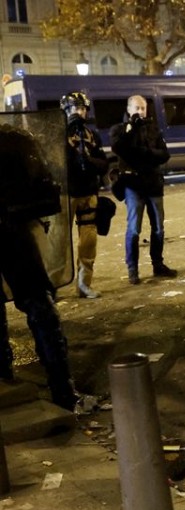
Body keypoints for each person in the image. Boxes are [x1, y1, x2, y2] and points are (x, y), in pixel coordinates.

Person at [0, 123, 93, 411]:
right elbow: (44, 181)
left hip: (12, 231)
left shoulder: (13, 139)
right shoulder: (13, 138)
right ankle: (62, 390)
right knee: (40, 309)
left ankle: (7, 376)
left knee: (39, 308)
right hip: (13, 232)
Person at [110, 95, 175, 284]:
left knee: (158, 229)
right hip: (133, 185)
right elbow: (119, 148)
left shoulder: (153, 129)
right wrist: (132, 130)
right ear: (129, 109)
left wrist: (145, 154)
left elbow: (164, 154)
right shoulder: (120, 129)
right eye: (137, 108)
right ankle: (133, 269)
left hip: (153, 184)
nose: (140, 112)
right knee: (134, 228)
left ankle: (158, 265)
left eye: (143, 108)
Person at [61, 92, 109, 298]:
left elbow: (103, 162)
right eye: (76, 108)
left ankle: (84, 283)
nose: (80, 112)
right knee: (59, 242)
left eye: (83, 108)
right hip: (66, 193)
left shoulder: (91, 135)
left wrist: (89, 164)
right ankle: (53, 285)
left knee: (88, 241)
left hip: (88, 192)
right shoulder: (58, 133)